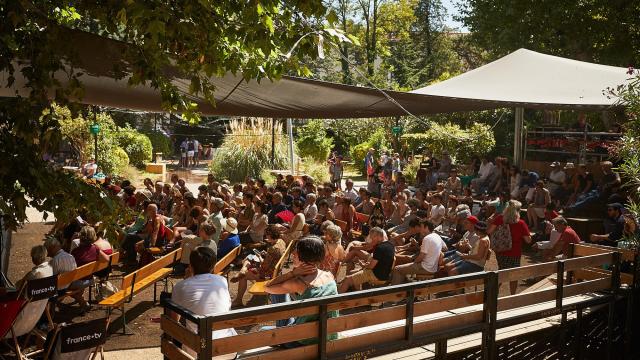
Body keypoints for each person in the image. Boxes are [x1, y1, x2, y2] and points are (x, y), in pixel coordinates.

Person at [265, 236, 339, 346]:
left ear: (302, 257)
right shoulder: (329, 276)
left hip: (304, 341)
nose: (294, 253)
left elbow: (267, 287)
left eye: (297, 251)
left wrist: (293, 273)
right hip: (329, 335)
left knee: (263, 330)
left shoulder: (298, 283)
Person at [170, 246, 237, 359]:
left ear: (190, 266)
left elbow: (173, 322)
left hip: (198, 351)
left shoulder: (181, 286)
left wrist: (187, 278)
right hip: (227, 348)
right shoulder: (222, 281)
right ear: (213, 266)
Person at [231, 225, 287, 307]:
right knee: (249, 258)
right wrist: (266, 254)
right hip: (276, 271)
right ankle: (244, 268)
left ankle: (238, 300)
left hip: (268, 275)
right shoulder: (281, 242)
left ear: (270, 235)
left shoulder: (273, 248)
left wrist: (260, 257)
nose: (266, 236)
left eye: (267, 235)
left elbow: (264, 266)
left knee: (243, 275)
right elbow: (273, 258)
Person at [487, 200, 531, 295]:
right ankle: (512, 295)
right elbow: (528, 240)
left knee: (501, 271)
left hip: (500, 250)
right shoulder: (521, 223)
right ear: (518, 211)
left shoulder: (499, 218)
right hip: (514, 252)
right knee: (513, 275)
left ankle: (492, 293)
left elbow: (490, 231)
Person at [339, 227, 395, 292]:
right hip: (384, 275)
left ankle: (335, 301)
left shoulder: (380, 248)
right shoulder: (391, 245)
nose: (371, 239)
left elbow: (371, 266)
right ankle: (359, 293)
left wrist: (363, 265)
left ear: (378, 236)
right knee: (352, 273)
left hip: (375, 275)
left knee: (347, 280)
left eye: (372, 237)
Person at [70, 226, 110, 311]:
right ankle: (81, 300)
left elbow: (69, 268)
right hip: (90, 279)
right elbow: (107, 259)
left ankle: (83, 303)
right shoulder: (95, 248)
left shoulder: (75, 252)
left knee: (62, 289)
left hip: (79, 281)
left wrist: (72, 240)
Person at [391, 220, 443, 285]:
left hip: (425, 267)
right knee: (402, 264)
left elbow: (421, 257)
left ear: (426, 228)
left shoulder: (427, 238)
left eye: (421, 227)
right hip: (432, 267)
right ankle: (402, 286)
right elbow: (444, 248)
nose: (420, 229)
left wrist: (413, 263)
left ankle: (394, 291)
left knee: (397, 269)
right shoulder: (437, 236)